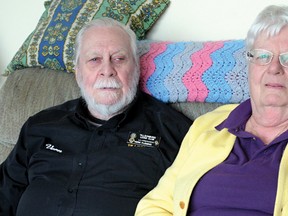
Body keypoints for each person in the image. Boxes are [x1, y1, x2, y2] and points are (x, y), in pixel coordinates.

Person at [0, 18, 192, 216]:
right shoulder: (40, 126)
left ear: (136, 68)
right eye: (94, 59)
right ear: (78, 73)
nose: (107, 71)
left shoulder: (173, 131)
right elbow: (5, 196)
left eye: (119, 58)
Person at [135, 5, 288, 216]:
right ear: (249, 65)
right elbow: (155, 205)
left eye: (287, 58)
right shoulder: (208, 124)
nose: (274, 68)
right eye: (263, 56)